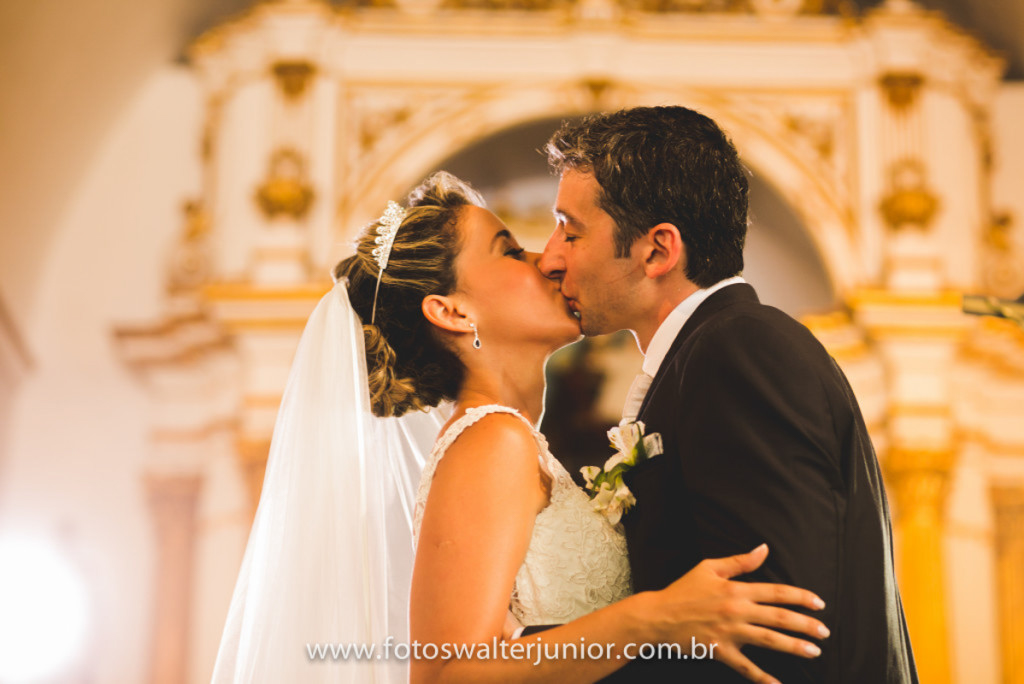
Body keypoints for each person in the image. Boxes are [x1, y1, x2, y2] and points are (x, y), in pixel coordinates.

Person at [212, 171, 828, 684]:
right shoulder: (492, 442)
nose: (548, 259)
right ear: (452, 311)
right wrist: (654, 619)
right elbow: (447, 673)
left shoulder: (506, 442)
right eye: (510, 250)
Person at [537, 106, 919, 683]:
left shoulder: (738, 351)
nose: (550, 256)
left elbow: (778, 637)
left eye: (571, 229)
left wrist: (515, 659)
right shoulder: (709, 353)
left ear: (658, 250)